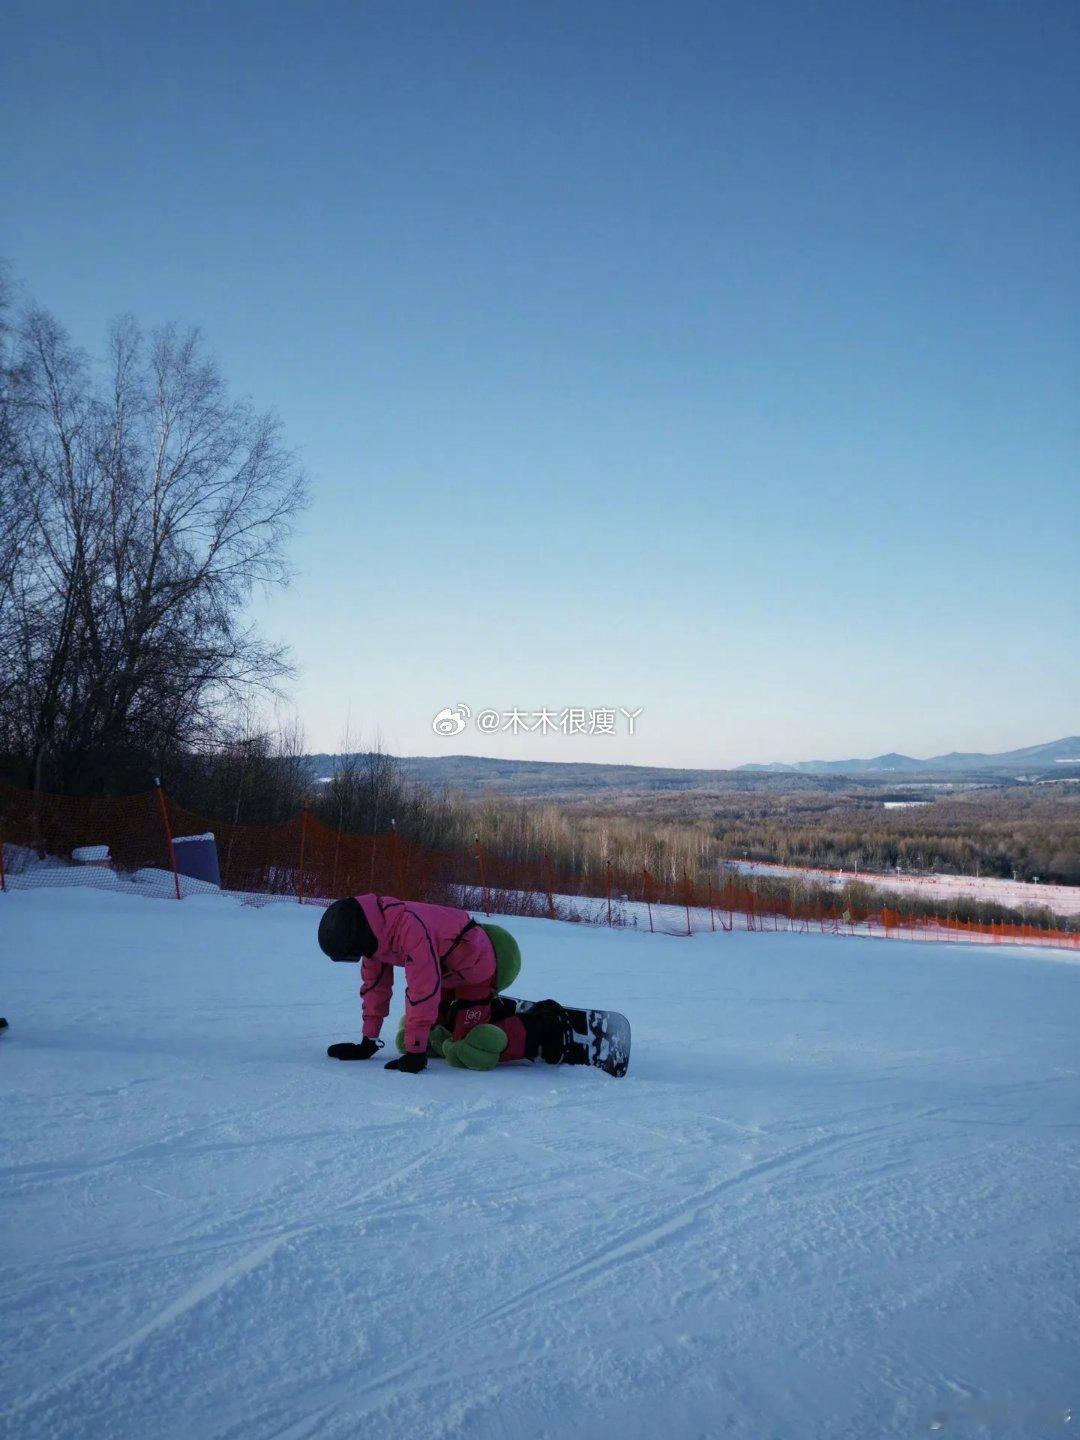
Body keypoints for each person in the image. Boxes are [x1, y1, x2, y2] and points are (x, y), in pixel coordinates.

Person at [318, 894, 574, 1073]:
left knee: (468, 1049)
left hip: (475, 968)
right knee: (434, 1036)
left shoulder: (407, 927)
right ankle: (488, 1012)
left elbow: (422, 988)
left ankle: (543, 1026)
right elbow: (375, 989)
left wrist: (415, 1052)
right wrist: (368, 1041)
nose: (359, 957)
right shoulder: (373, 937)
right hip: (446, 975)